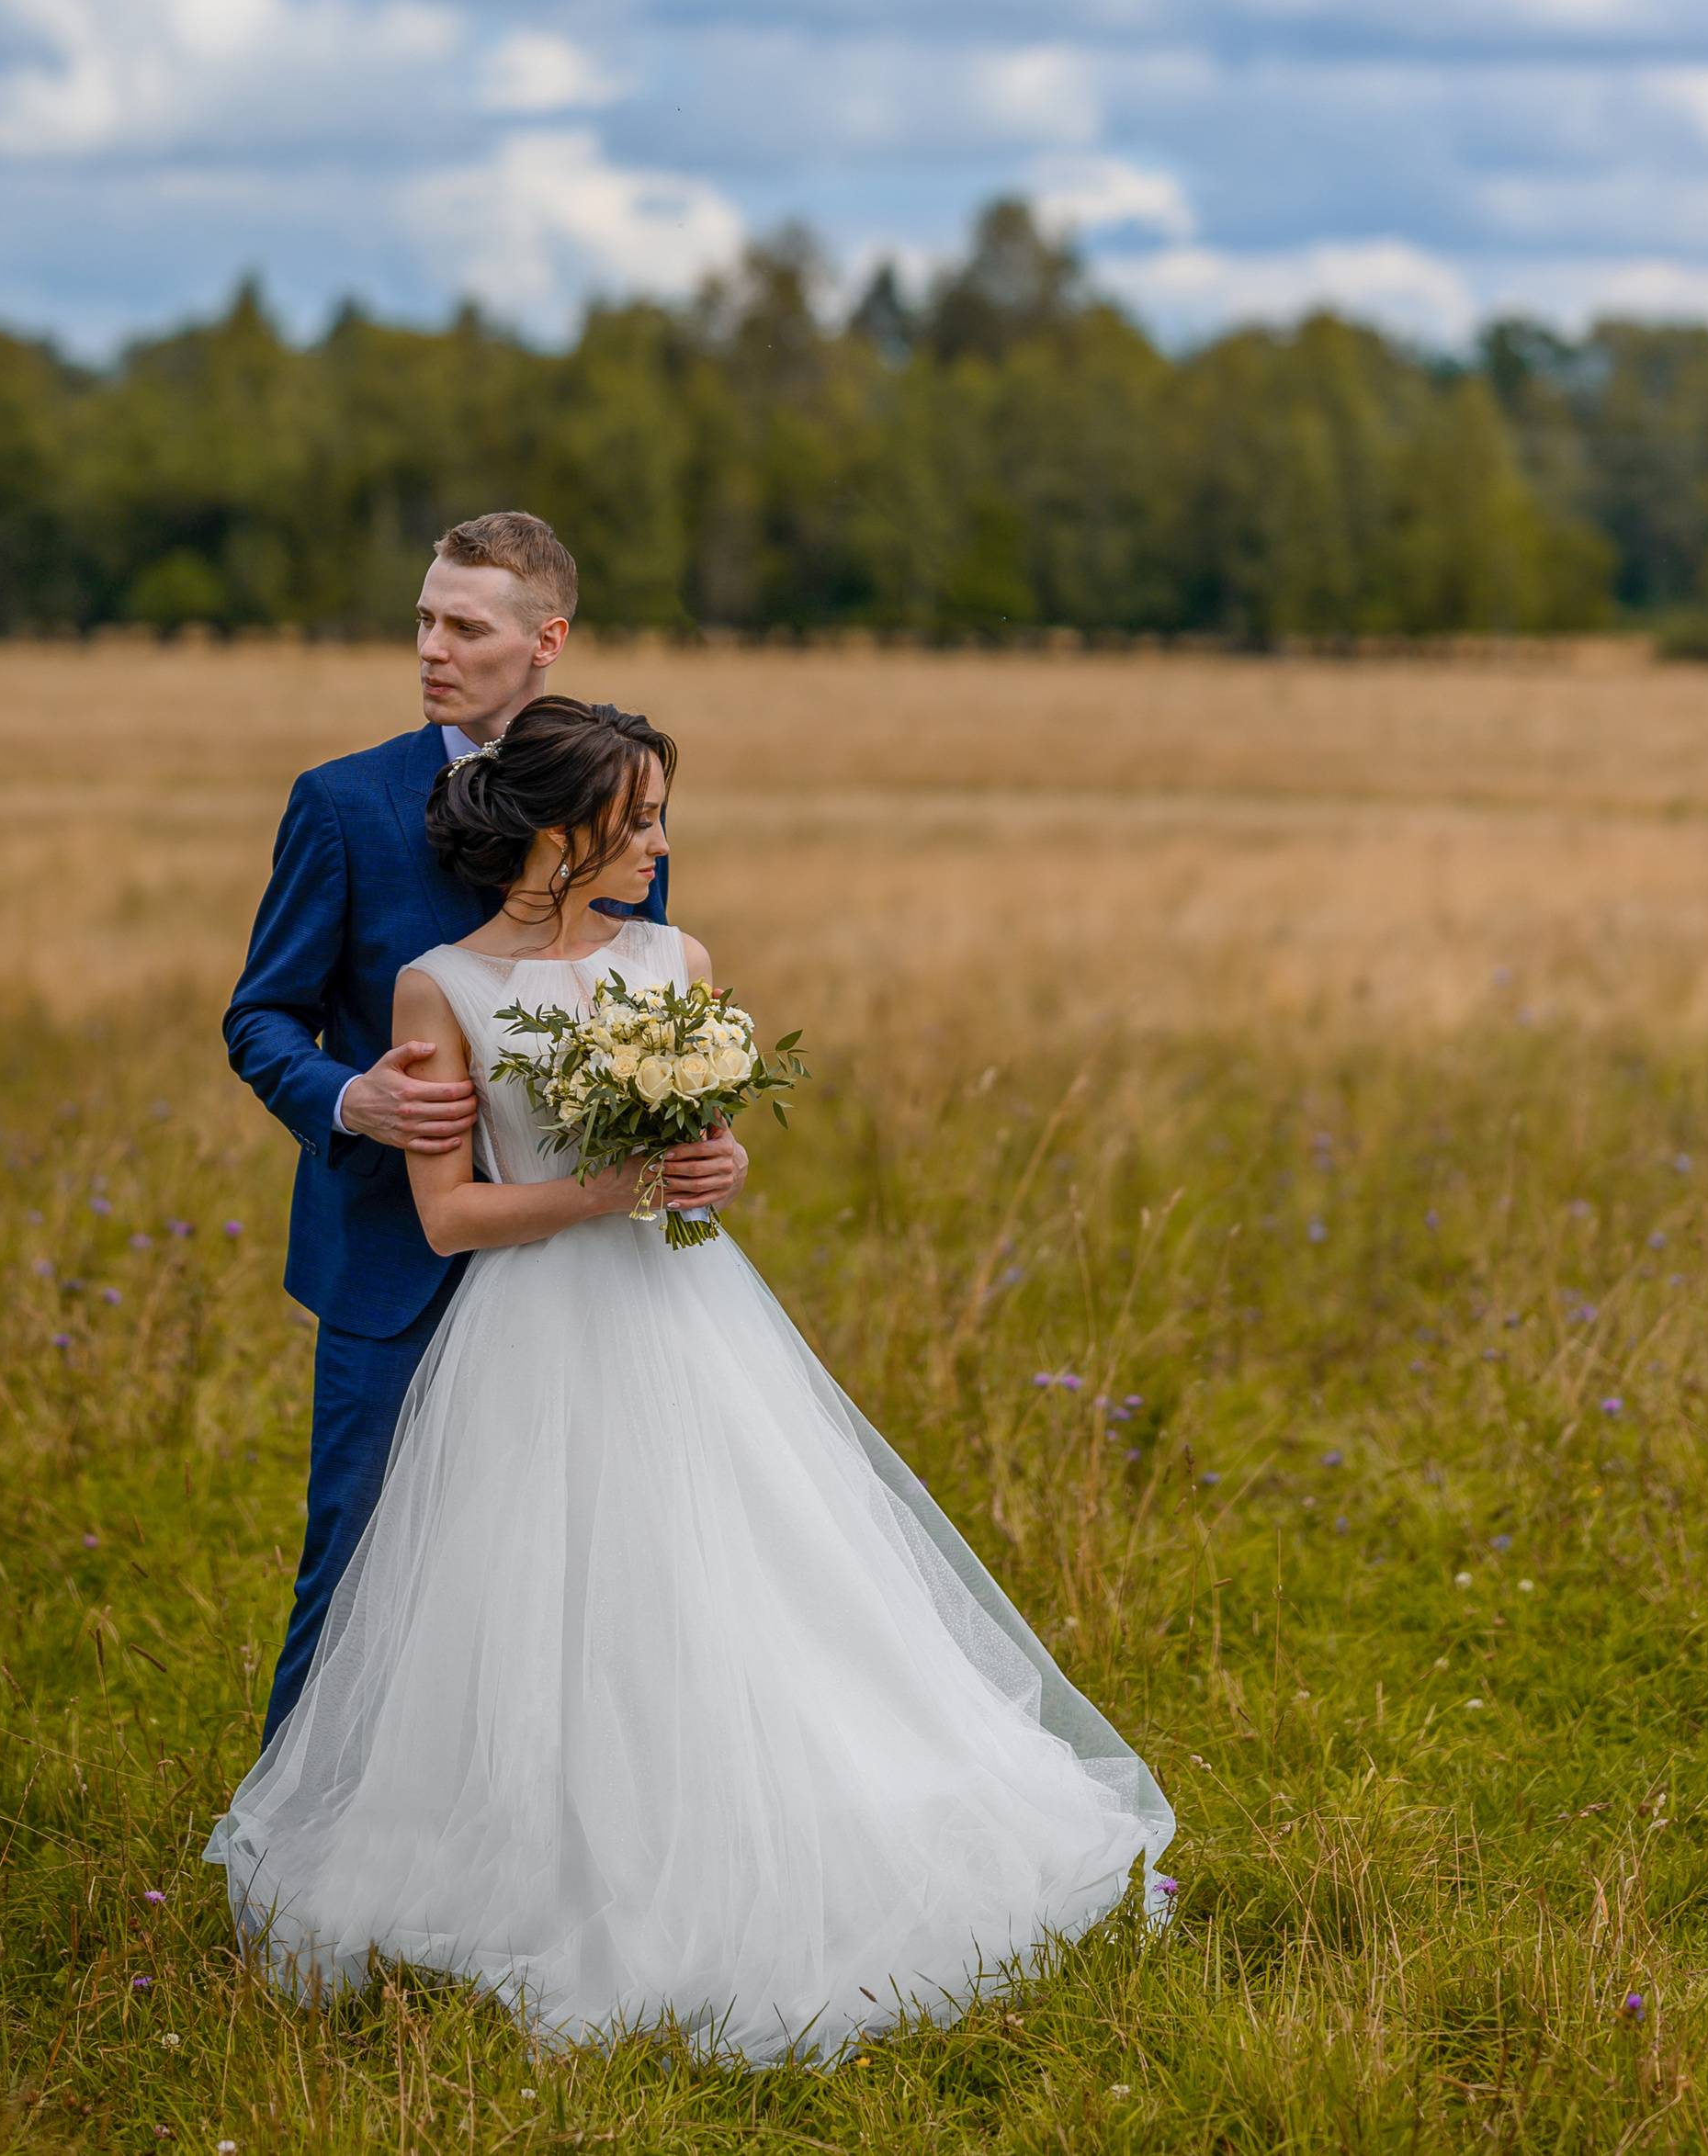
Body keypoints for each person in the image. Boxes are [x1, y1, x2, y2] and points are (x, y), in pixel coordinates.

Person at [208, 698, 1174, 2064]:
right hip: (531, 1333)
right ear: (561, 831)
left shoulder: (676, 953)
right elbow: (449, 1220)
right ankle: (535, 1855)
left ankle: (749, 1816)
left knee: (728, 1573)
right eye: (640, 818)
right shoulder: (441, 985)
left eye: (661, 816)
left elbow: (703, 1151)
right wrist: (600, 1187)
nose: (660, 842)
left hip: (683, 1308)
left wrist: (715, 1167)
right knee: (535, 1597)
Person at [223, 512, 743, 1746]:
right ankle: (294, 1862)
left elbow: (635, 1004)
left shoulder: (620, 793)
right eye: (423, 619)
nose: (431, 648)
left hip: (592, 1285)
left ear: (545, 640)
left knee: (587, 1581)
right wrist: (355, 1097)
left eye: (464, 624)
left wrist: (704, 1145)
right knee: (355, 1567)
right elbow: (262, 1018)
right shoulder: (343, 805)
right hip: (395, 1258)